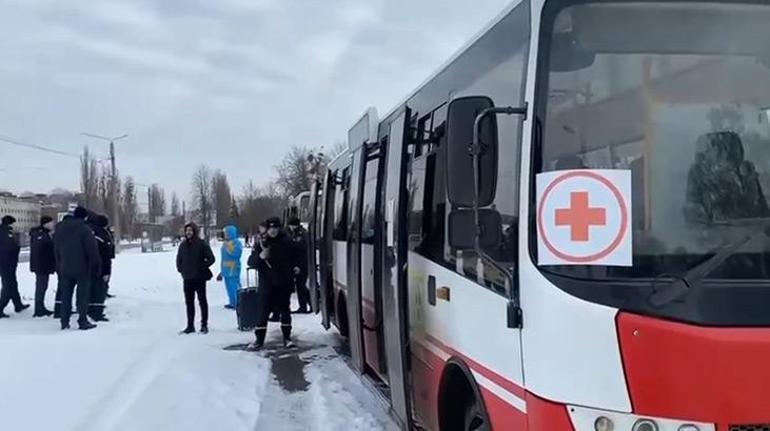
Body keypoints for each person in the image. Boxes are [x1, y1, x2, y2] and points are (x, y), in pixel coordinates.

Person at [247, 217, 301, 350]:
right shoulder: (261, 243)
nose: (273, 231)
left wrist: (297, 267)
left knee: (285, 310)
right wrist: (260, 257)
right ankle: (259, 339)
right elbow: (251, 262)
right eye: (270, 228)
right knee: (263, 311)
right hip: (267, 283)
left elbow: (299, 257)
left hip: (284, 282)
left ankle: (287, 337)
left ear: (279, 228)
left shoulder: (287, 242)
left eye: (275, 228)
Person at [54, 207, 100, 330]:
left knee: (66, 295)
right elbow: (92, 250)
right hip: (82, 268)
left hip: (65, 267)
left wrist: (59, 265)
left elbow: (56, 249)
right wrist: (96, 265)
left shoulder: (60, 229)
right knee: (82, 296)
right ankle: (82, 320)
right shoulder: (85, 230)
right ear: (85, 217)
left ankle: (64, 321)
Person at [176, 222, 215, 334]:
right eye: (187, 230)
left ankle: (204, 325)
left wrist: (202, 267)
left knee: (202, 301)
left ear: (194, 231)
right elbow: (179, 259)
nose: (188, 232)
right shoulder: (183, 245)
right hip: (187, 278)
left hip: (199, 278)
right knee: (189, 303)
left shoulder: (201, 244)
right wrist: (180, 269)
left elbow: (211, 258)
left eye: (190, 230)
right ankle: (190, 325)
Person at [0, 215, 29, 318]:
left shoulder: (3, 231)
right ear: (10, 223)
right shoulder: (6, 232)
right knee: (8, 286)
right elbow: (9, 248)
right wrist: (17, 248)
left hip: (5, 263)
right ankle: (0, 307)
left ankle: (18, 304)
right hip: (7, 263)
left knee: (12, 284)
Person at [87, 214, 114, 322]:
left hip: (90, 265)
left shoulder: (90, 232)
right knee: (100, 289)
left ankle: (90, 308)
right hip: (101, 265)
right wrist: (106, 271)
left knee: (92, 288)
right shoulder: (102, 234)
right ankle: (97, 312)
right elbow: (105, 254)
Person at [29, 216, 56, 317]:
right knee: (41, 287)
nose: (53, 225)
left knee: (42, 286)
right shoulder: (41, 234)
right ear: (46, 224)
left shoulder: (40, 233)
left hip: (41, 265)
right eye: (51, 223)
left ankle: (40, 307)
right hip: (42, 265)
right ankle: (39, 309)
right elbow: (44, 249)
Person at [287, 217, 311, 314]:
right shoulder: (295, 233)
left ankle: (305, 306)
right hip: (297, 264)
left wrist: (299, 266)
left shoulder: (301, 235)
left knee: (301, 286)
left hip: (302, 265)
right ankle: (307, 304)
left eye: (291, 225)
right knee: (300, 286)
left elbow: (302, 252)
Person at [218, 224, 243, 310]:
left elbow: (236, 254)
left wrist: (228, 246)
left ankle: (239, 302)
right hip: (226, 268)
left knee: (234, 286)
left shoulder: (237, 242)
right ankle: (232, 302)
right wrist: (221, 271)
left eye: (226, 233)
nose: (225, 234)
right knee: (229, 287)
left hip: (233, 268)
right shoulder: (225, 243)